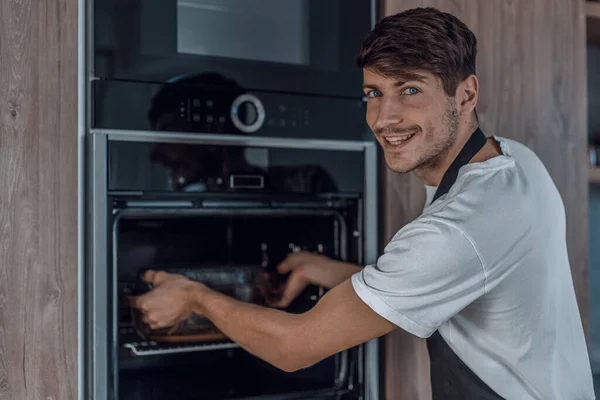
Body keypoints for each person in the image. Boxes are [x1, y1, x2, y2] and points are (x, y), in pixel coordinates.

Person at [131, 7, 595, 399]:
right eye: (374, 93)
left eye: (410, 90)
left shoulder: (454, 230)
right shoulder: (515, 162)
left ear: (466, 93)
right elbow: (447, 277)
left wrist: (194, 296)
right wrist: (325, 269)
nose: (384, 117)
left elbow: (294, 348)